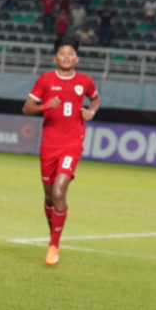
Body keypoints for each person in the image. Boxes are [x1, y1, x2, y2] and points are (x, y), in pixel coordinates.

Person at [22, 36, 100, 267]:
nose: (66, 57)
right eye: (62, 53)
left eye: (70, 53)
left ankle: (54, 245)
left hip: (72, 144)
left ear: (76, 58)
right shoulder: (45, 80)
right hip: (48, 145)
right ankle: (53, 235)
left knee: (58, 192)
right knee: (48, 195)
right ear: (55, 58)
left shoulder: (85, 81)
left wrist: (91, 112)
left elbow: (95, 99)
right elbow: (27, 108)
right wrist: (46, 105)